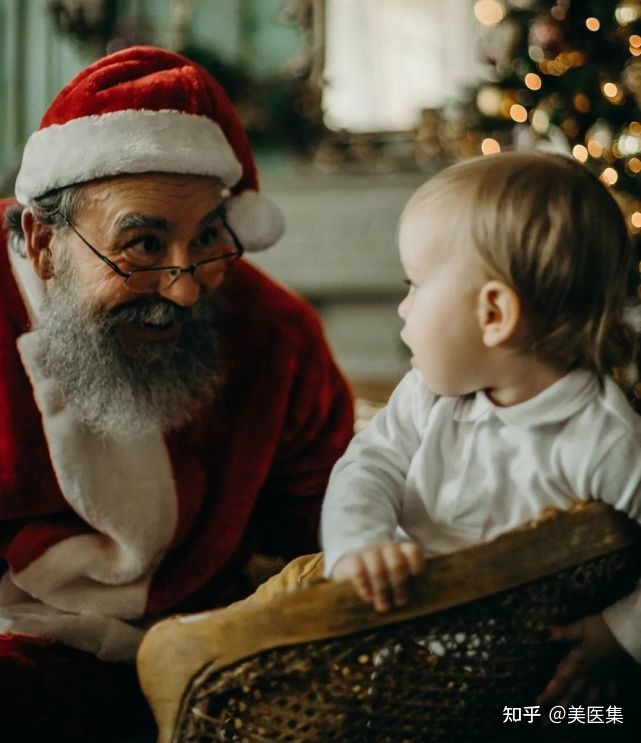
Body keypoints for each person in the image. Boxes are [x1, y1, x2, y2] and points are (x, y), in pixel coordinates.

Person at [0, 46, 353, 741]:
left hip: (202, 668)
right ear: (43, 242)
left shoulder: (276, 337)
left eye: (210, 240)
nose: (185, 287)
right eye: (142, 245)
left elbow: (338, 526)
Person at [320, 152, 641, 713]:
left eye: (415, 285)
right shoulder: (428, 394)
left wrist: (615, 636)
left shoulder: (606, 439)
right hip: (412, 646)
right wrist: (359, 543)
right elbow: (367, 467)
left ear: (494, 314)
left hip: (536, 683)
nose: (402, 307)